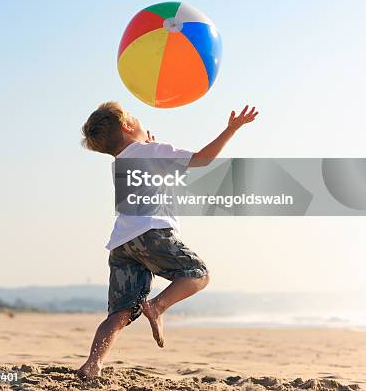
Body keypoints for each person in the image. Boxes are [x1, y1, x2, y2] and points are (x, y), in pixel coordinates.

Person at [77, 101, 258, 380]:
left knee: (119, 313)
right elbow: (202, 159)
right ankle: (158, 306)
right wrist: (231, 129)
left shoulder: (118, 165)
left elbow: (156, 174)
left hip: (122, 244)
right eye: (134, 118)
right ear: (127, 126)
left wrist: (153, 149)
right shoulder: (152, 151)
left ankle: (92, 364)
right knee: (198, 274)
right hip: (153, 233)